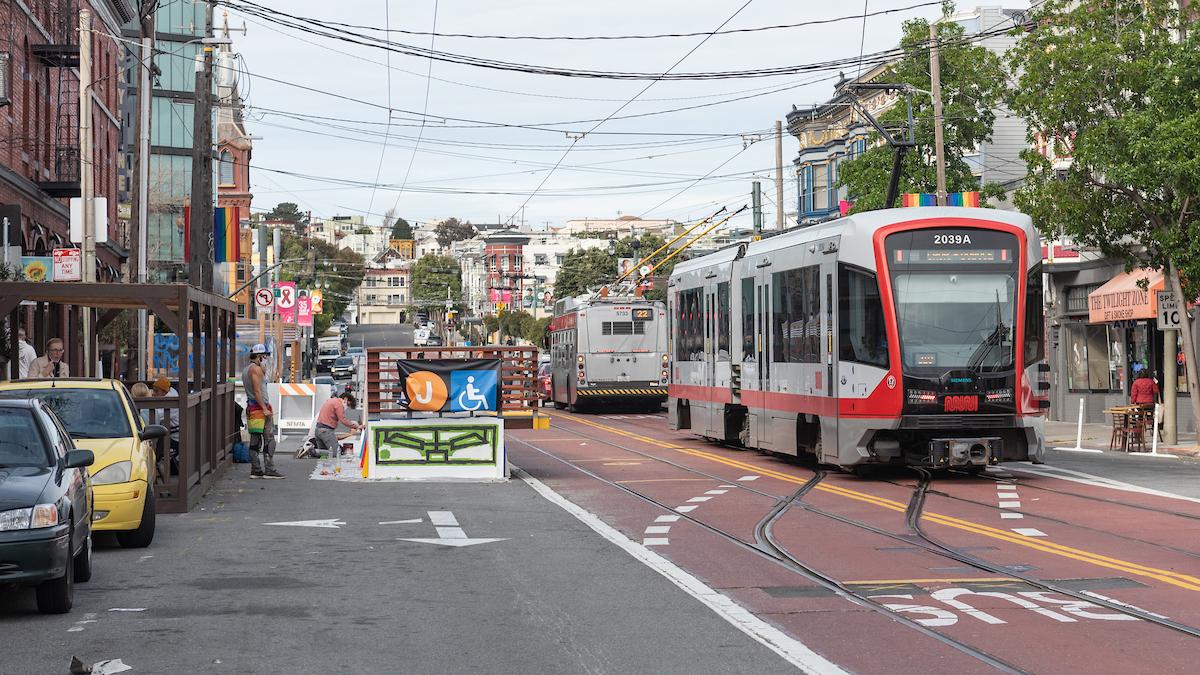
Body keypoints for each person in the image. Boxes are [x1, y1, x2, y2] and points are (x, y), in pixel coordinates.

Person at [243, 344, 283, 479]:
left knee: (255, 439)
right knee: (269, 439)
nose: (266, 358)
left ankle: (256, 469)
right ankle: (269, 469)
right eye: (264, 356)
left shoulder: (248, 369)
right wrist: (264, 408)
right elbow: (257, 390)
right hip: (260, 409)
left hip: (252, 408)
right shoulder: (255, 369)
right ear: (259, 356)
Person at [311, 391, 362, 459]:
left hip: (318, 430)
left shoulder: (331, 401)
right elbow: (343, 420)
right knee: (336, 453)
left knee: (324, 454)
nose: (347, 407)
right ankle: (312, 451)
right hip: (326, 431)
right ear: (345, 399)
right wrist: (357, 426)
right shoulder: (338, 404)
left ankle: (315, 452)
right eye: (348, 404)